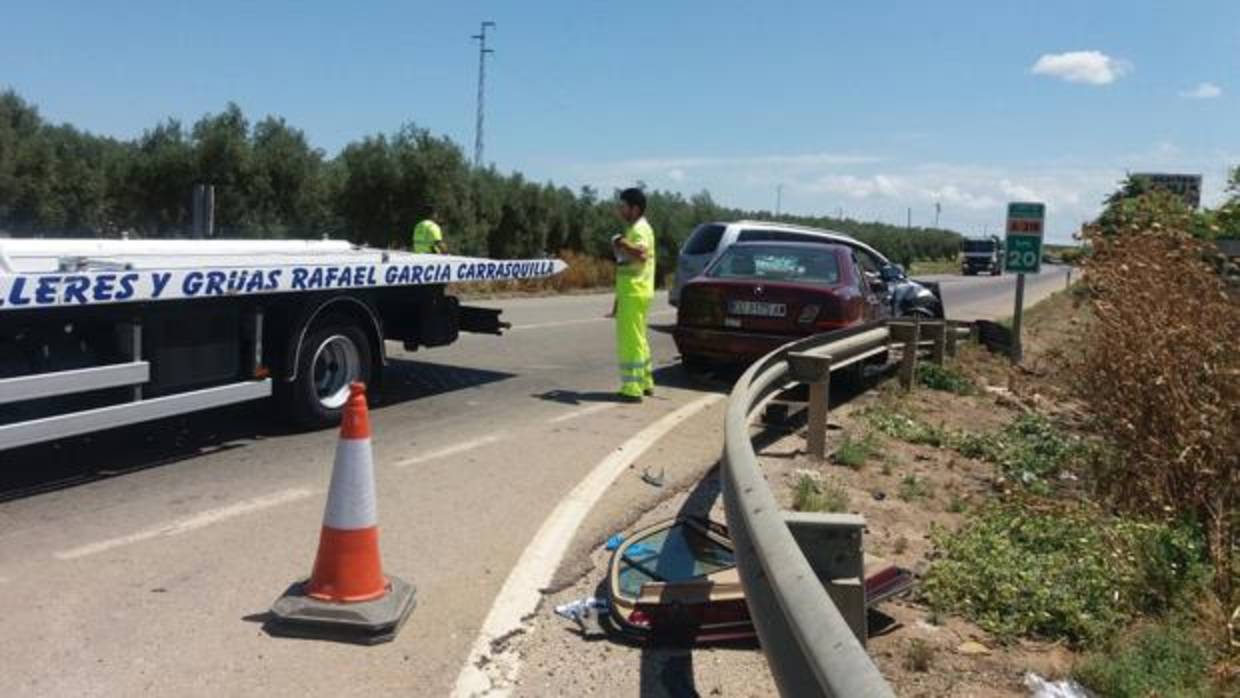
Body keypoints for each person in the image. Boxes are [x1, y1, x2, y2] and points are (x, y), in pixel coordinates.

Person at [612, 188, 656, 402]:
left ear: (635, 208)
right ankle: (646, 382)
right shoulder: (638, 228)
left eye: (623, 206)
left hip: (634, 292)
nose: (620, 210)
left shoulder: (638, 229)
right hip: (635, 292)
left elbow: (642, 255)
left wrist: (620, 242)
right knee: (639, 338)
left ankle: (632, 388)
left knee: (630, 341)